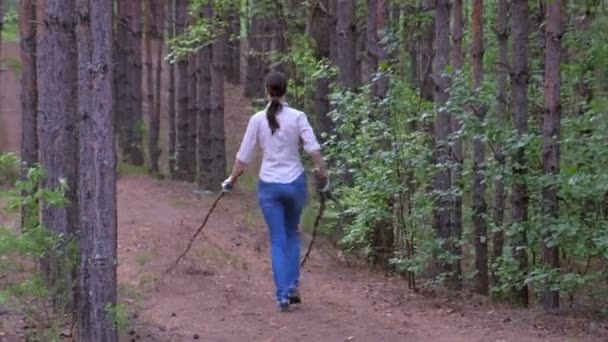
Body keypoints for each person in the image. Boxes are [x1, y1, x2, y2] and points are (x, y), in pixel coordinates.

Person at [222, 71, 329, 312]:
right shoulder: (298, 117)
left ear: (266, 90)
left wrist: (231, 179)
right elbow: (313, 149)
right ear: (286, 90)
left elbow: (244, 156)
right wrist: (323, 174)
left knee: (278, 240)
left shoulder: (257, 119)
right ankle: (292, 287)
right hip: (294, 184)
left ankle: (283, 295)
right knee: (292, 235)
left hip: (269, 186)